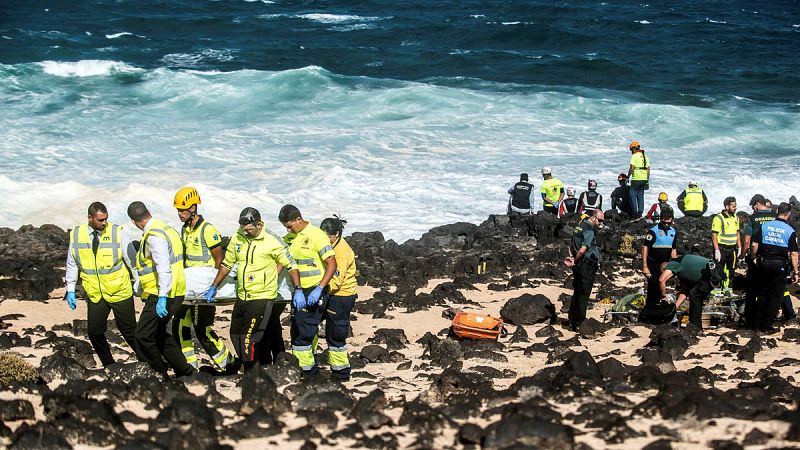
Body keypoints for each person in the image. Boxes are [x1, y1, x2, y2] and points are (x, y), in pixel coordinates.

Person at [206, 207, 300, 372]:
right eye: (243, 228)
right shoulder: (238, 237)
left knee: (249, 339)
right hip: (243, 296)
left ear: (259, 224)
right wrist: (214, 286)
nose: (245, 231)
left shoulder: (272, 240)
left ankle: (253, 373)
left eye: (249, 229)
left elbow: (291, 265)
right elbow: (227, 264)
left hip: (263, 297)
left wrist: (298, 289)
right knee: (235, 335)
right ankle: (257, 367)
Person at [65, 202, 139, 367]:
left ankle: (148, 361)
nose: (104, 222)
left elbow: (132, 261)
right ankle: (109, 365)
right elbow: (72, 263)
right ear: (90, 218)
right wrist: (70, 289)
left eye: (106, 219)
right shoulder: (77, 234)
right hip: (95, 293)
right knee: (94, 332)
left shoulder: (117, 232)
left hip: (119, 291)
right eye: (100, 220)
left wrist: (139, 283)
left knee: (130, 332)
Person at [172, 187, 236, 373]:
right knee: (180, 325)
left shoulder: (208, 230)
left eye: (182, 210)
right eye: (177, 210)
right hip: (190, 287)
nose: (179, 214)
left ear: (193, 208)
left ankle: (229, 363)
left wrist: (214, 286)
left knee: (202, 329)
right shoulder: (185, 230)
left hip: (205, 288)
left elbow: (219, 259)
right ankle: (190, 366)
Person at [127, 201, 195, 378]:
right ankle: (186, 371)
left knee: (142, 336)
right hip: (176, 290)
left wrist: (162, 296)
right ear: (149, 212)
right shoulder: (167, 229)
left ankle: (158, 372)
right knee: (158, 334)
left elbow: (163, 266)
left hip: (162, 294)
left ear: (133, 222)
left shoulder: (153, 235)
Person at [278, 205, 337, 376]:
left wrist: (319, 289)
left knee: (304, 334)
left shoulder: (316, 235)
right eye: (285, 227)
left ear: (299, 219)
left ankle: (308, 373)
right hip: (298, 291)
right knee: (296, 331)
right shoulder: (289, 238)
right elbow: (282, 263)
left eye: (290, 226)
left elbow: (332, 264)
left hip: (314, 290)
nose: (288, 230)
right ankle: (304, 370)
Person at [750, 202, 799, 333]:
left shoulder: (766, 226)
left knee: (763, 293)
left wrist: (754, 257)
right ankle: (766, 326)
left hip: (765, 263)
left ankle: (757, 324)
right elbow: (794, 253)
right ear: (788, 214)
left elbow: (754, 244)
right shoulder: (789, 230)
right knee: (776, 296)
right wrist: (796, 272)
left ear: (777, 211)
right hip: (780, 265)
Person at [319, 215, 358, 380]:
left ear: (337, 234)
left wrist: (319, 289)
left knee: (336, 334)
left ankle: (341, 372)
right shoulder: (328, 246)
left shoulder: (341, 252)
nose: (326, 239)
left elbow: (336, 280)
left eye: (328, 236)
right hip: (331, 293)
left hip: (341, 296)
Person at [659, 254, 723, 329]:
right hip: (713, 272)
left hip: (712, 272)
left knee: (694, 295)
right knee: (694, 294)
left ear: (666, 269)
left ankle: (695, 327)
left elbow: (661, 280)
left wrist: (663, 296)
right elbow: (684, 291)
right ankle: (695, 325)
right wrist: (674, 307)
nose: (671, 278)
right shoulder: (683, 271)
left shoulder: (674, 264)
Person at [565, 209, 604, 331]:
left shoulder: (580, 225)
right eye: (600, 220)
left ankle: (572, 319)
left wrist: (572, 257)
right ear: (593, 218)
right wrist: (575, 260)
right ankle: (579, 322)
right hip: (586, 264)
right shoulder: (589, 230)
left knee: (577, 291)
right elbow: (582, 249)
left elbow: (571, 243)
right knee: (584, 293)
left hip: (579, 262)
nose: (601, 223)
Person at [742, 194, 777, 329]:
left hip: (757, 257)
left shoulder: (753, 218)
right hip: (773, 256)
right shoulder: (775, 216)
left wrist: (745, 255)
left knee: (752, 289)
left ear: (757, 204)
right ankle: (767, 320)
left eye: (753, 207)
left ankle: (750, 321)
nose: (753, 209)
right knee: (769, 290)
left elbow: (747, 240)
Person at [639, 208, 679, 324]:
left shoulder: (673, 232)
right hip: (653, 264)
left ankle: (660, 314)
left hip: (665, 265)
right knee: (653, 288)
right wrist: (645, 266)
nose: (666, 225)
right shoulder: (653, 231)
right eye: (664, 222)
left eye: (669, 223)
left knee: (663, 287)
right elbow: (645, 247)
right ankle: (648, 316)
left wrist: (675, 265)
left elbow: (673, 249)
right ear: (660, 220)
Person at [711, 196, 742, 294]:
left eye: (735, 206)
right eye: (733, 206)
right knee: (719, 269)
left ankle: (728, 289)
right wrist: (716, 250)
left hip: (732, 249)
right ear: (727, 206)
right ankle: (717, 289)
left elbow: (737, 233)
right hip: (721, 248)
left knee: (731, 270)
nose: (735, 208)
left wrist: (740, 247)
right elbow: (714, 235)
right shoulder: (718, 218)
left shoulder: (736, 218)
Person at [627, 141, 650, 218]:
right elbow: (648, 170)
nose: (631, 152)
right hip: (644, 179)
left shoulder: (634, 156)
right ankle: (640, 213)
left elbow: (631, 168)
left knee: (632, 195)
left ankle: (635, 214)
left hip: (636, 178)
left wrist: (628, 176)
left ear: (633, 149)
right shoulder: (645, 157)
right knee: (640, 196)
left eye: (631, 150)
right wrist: (647, 180)